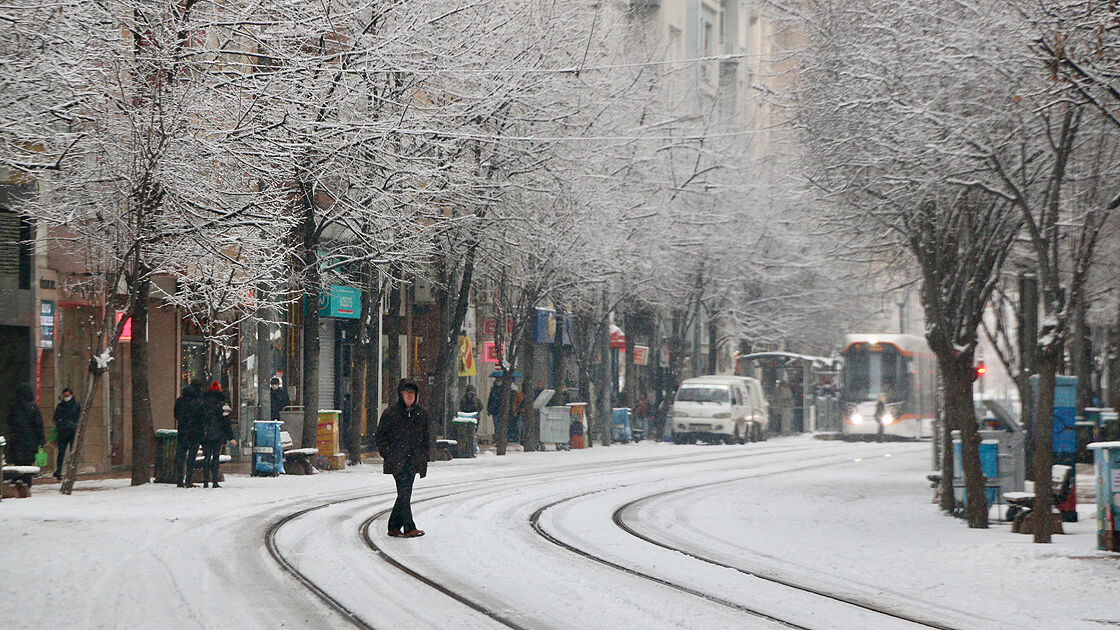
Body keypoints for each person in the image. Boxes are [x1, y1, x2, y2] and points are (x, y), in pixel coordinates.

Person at [376, 379, 430, 538]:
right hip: (397, 460)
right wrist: (388, 453)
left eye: (412, 393)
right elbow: (380, 436)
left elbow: (426, 436)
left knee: (404, 494)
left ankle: (393, 526)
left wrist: (424, 455)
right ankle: (409, 527)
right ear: (401, 394)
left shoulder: (421, 413)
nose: (410, 396)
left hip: (413, 461)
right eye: (407, 392)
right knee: (404, 493)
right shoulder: (390, 413)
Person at [6, 384, 44, 487]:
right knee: (28, 464)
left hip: (17, 440)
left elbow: (9, 422)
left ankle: (18, 484)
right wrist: (41, 440)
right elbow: (39, 425)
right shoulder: (33, 407)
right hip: (30, 441)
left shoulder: (14, 407)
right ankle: (27, 485)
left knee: (18, 464)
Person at [200, 381, 234, 488]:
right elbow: (226, 422)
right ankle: (214, 481)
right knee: (215, 458)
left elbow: (199, 420)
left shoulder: (203, 404)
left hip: (205, 435)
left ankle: (205, 481)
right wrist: (230, 437)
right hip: (218, 434)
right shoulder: (222, 405)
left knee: (206, 457)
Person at [174, 378, 205, 487]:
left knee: (181, 455)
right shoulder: (199, 401)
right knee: (192, 456)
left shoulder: (180, 400)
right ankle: (188, 479)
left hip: (182, 430)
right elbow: (202, 417)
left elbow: (176, 415)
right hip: (195, 431)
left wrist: (184, 421)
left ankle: (179, 479)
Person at [52, 387, 80, 479]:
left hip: (73, 432)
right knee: (61, 452)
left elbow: (80, 418)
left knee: (73, 453)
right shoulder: (60, 406)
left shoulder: (77, 406)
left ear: (72, 395)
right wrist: (60, 424)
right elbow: (56, 419)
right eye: (64, 396)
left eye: (67, 395)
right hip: (62, 432)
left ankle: (72, 472)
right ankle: (59, 471)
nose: (66, 397)